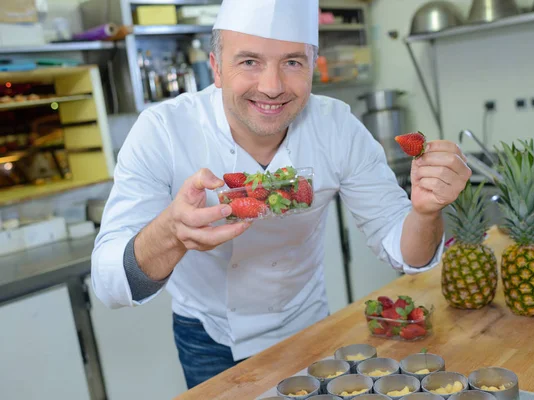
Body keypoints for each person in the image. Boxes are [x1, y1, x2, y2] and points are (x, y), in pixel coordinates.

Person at [91, 0, 471, 389]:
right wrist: (170, 232)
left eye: (292, 62)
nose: (272, 87)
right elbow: (110, 282)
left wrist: (425, 213)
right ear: (216, 68)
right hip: (209, 339)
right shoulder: (163, 131)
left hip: (308, 328)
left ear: (312, 66)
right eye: (249, 62)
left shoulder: (336, 126)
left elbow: (404, 252)